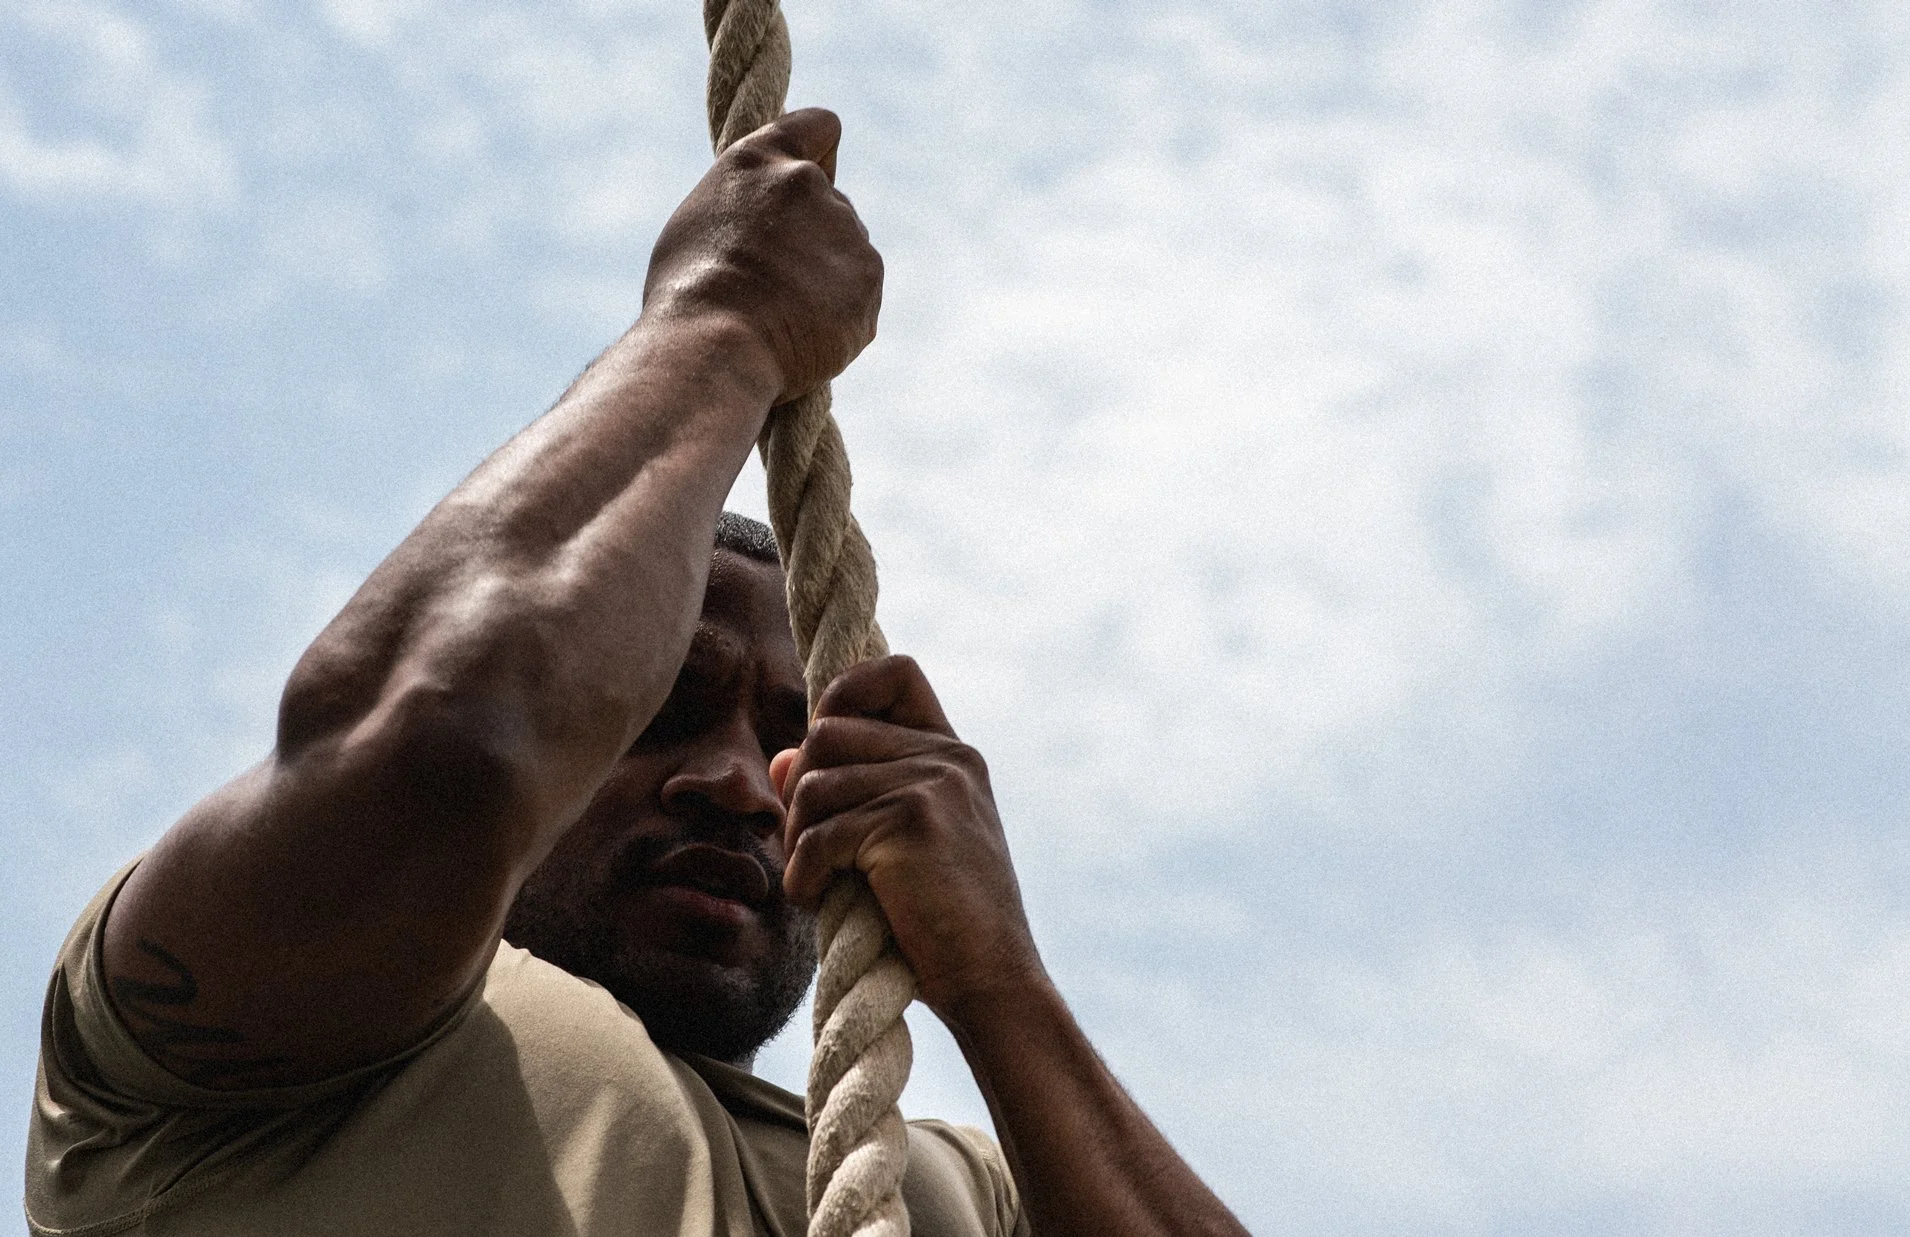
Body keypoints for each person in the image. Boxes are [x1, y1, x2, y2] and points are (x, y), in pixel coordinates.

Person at [26, 109, 1248, 1237]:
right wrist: (722, 325)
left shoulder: (960, 1191)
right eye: (658, 709)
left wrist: (996, 981)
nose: (737, 783)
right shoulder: (261, 994)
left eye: (790, 739)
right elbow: (450, 739)